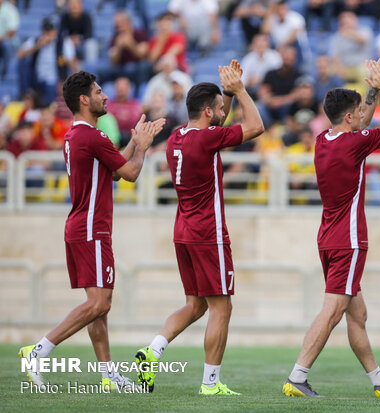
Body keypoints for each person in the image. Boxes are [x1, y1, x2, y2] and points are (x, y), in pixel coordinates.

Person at [17, 70, 165, 390]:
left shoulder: (77, 135)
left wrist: (133, 144)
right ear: (84, 99)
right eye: (99, 92)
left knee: (100, 305)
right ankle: (38, 351)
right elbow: (130, 173)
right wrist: (142, 147)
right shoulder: (92, 136)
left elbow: (112, 172)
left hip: (81, 226)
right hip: (91, 228)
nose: (105, 96)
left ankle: (108, 374)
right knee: (99, 304)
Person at [282, 57, 380, 398]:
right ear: (350, 117)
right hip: (349, 239)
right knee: (333, 311)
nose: (361, 117)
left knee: (358, 313)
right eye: (358, 113)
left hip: (327, 237)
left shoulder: (324, 139)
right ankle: (297, 376)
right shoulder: (356, 143)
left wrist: (369, 87)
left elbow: (361, 120)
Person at [134, 60, 264, 396]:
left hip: (183, 230)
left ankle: (152, 352)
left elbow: (217, 129)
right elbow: (256, 127)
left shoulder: (179, 136)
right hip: (208, 232)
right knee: (222, 306)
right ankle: (210, 384)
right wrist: (240, 90)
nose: (225, 111)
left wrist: (226, 97)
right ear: (208, 112)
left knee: (196, 304)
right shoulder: (207, 140)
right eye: (220, 109)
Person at [97, 10, 151, 89]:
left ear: (128, 22)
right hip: (120, 68)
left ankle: (138, 94)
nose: (117, 25)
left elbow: (142, 55)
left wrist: (131, 44)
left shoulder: (140, 34)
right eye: (116, 23)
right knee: (102, 72)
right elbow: (113, 62)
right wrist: (119, 47)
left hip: (136, 66)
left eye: (120, 22)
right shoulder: (115, 38)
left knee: (140, 67)